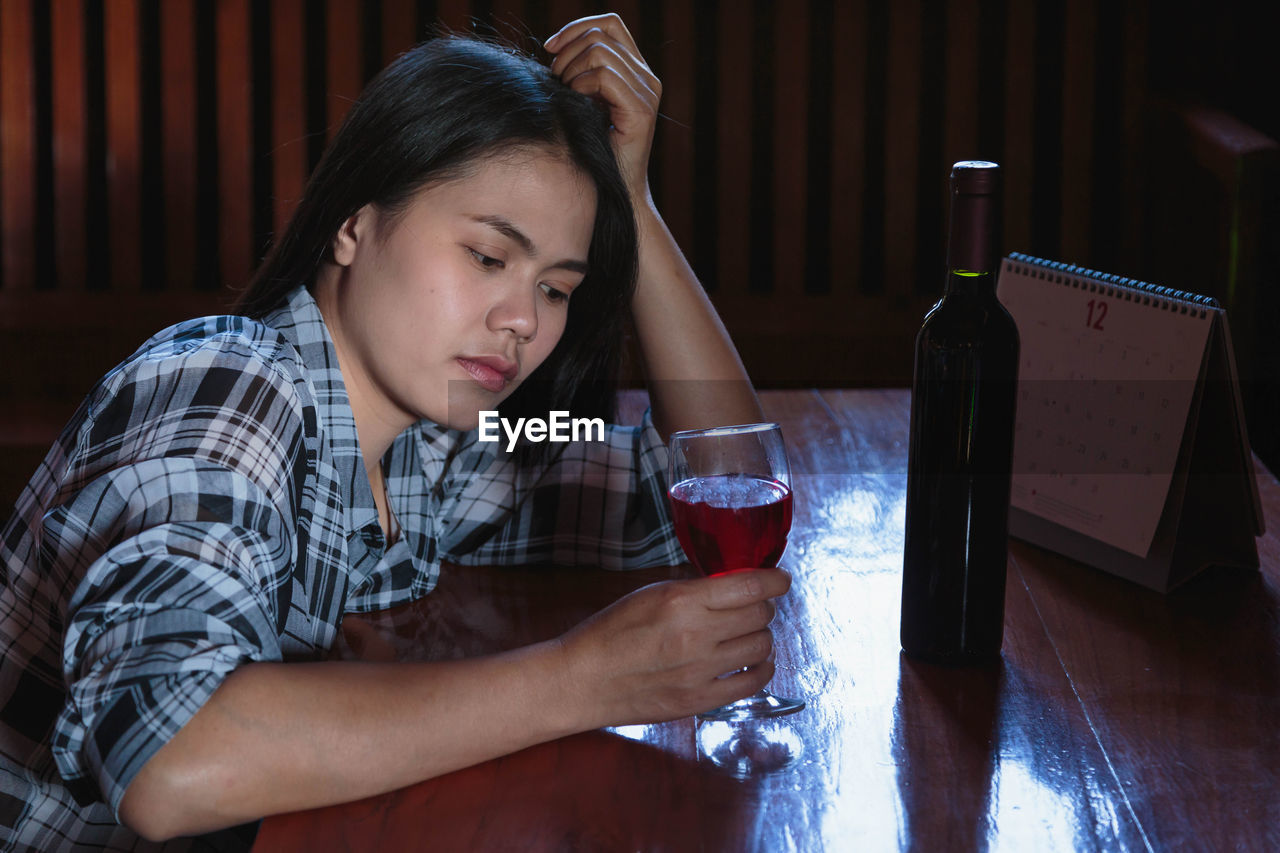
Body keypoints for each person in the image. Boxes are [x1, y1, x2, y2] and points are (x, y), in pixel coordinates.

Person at [0, 14, 789, 850]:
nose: (522, 319)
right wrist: (581, 679)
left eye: (557, 288)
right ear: (351, 223)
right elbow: (168, 758)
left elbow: (711, 481)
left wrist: (634, 200)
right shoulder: (225, 386)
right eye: (488, 257)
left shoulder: (433, 441)